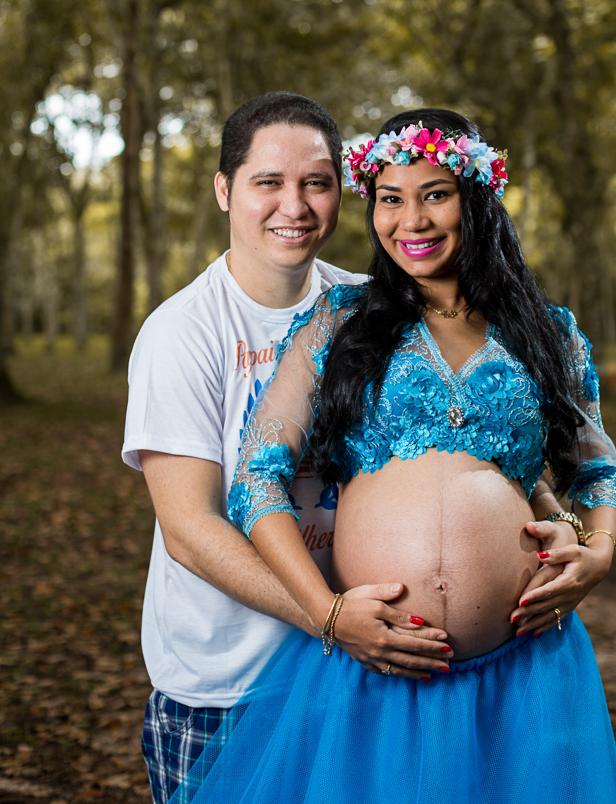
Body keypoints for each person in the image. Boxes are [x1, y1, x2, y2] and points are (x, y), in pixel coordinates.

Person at [123, 94, 587, 804]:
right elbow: (189, 529)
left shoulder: (373, 306)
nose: (296, 205)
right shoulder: (183, 331)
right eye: (267, 183)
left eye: (316, 182)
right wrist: (331, 618)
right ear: (225, 190)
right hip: (236, 672)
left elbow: (480, 440)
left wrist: (559, 520)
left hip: (364, 664)